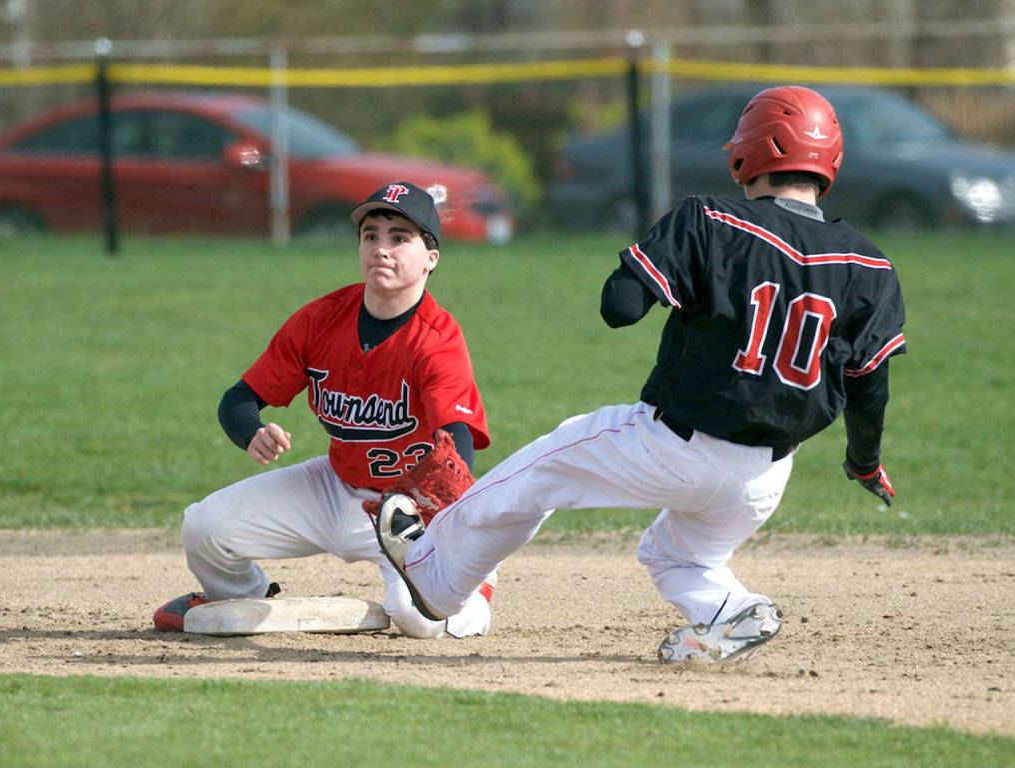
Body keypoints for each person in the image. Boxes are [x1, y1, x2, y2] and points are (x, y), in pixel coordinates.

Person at [375, 86, 906, 664]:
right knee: (677, 556)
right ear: (828, 163)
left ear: (745, 155)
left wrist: (650, 263)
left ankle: (429, 572)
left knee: (539, 473)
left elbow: (619, 307)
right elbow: (868, 386)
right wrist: (864, 463)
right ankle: (728, 611)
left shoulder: (709, 220)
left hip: (671, 446)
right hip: (764, 478)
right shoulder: (871, 265)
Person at [153, 181, 497, 639]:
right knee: (204, 526)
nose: (381, 248)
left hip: (404, 510)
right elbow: (238, 399)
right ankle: (242, 593)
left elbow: (458, 440)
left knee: (417, 621)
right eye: (370, 235)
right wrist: (251, 431)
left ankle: (475, 587)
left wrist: (442, 521)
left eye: (399, 237)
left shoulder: (436, 340)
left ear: (430, 258)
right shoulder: (323, 319)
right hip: (333, 485)